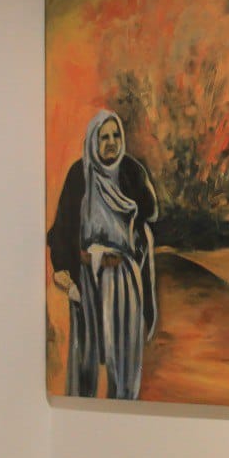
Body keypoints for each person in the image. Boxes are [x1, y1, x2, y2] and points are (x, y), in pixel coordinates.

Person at [48, 110, 158, 399]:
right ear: (93, 141)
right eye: (104, 137)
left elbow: (148, 218)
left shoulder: (132, 173)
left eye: (115, 135)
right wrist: (63, 267)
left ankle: (123, 411)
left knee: (124, 356)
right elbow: (62, 227)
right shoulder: (79, 175)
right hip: (87, 278)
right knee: (85, 356)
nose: (111, 142)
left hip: (124, 280)